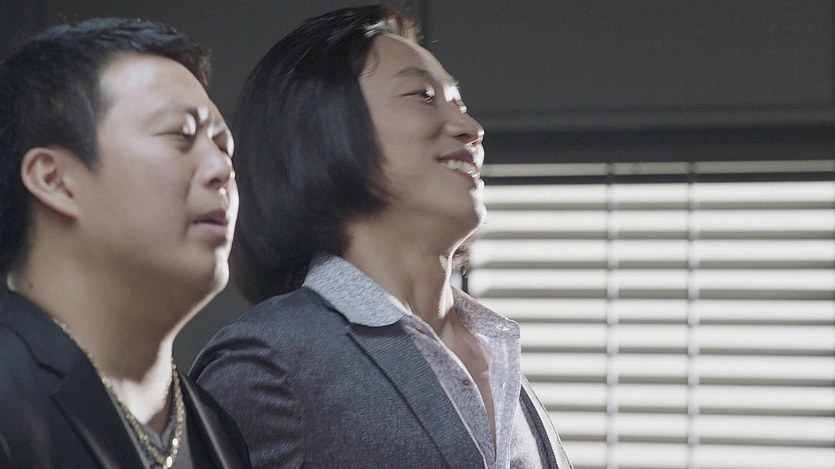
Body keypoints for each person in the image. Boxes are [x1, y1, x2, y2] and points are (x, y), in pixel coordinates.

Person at [191, 4, 573, 469]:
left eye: (460, 104)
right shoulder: (270, 363)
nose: (471, 130)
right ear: (326, 132)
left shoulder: (497, 351)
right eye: (423, 96)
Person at [0, 18, 251, 468]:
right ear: (56, 180)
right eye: (181, 135)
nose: (222, 170)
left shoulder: (218, 429)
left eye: (223, 146)